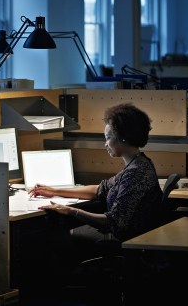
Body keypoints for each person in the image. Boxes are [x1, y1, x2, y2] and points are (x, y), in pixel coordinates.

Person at [28, 102, 162, 252]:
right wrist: (55, 191)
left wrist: (72, 211)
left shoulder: (136, 173)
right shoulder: (138, 163)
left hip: (126, 244)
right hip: (127, 238)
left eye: (108, 137)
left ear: (123, 138)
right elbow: (100, 189)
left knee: (56, 241)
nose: (105, 144)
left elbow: (112, 222)